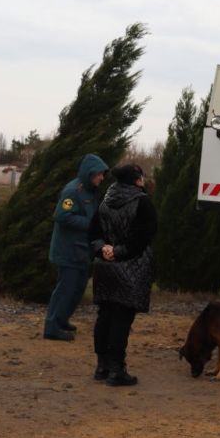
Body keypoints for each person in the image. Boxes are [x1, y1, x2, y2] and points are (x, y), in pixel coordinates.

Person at [88, 164, 158, 387]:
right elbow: (143, 237)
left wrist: (103, 249)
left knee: (105, 314)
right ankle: (117, 370)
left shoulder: (105, 199)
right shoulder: (142, 202)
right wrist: (118, 252)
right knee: (122, 317)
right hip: (130, 267)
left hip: (104, 267)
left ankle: (102, 366)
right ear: (137, 180)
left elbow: (93, 231)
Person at [43, 153, 109, 341]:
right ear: (90, 173)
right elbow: (61, 216)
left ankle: (62, 320)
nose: (102, 178)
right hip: (68, 249)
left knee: (77, 288)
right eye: (99, 174)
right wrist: (90, 223)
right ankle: (52, 327)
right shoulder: (73, 191)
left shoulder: (90, 191)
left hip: (81, 250)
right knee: (66, 288)